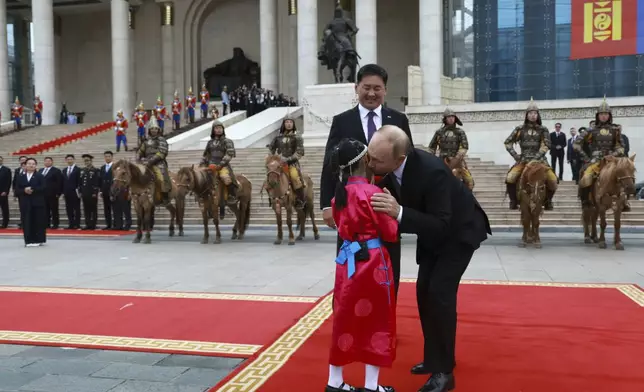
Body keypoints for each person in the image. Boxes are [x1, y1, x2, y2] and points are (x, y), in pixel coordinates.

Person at [368, 125, 491, 392]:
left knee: (439, 294)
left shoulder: (431, 170)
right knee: (424, 292)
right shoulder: (387, 168)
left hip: (458, 233)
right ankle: (437, 357)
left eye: (377, 159)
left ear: (400, 159)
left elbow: (442, 224)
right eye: (370, 155)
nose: (371, 163)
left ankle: (444, 373)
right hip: (432, 235)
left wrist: (399, 213)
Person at [320, 63, 413, 296]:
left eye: (377, 88)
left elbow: (407, 162)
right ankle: (349, 317)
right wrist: (326, 204)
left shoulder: (398, 119)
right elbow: (330, 164)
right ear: (357, 88)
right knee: (351, 266)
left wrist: (408, 204)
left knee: (390, 265)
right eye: (366, 87)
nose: (371, 93)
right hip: (351, 209)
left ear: (385, 90)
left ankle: (385, 316)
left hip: (386, 205)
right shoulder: (342, 121)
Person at [326, 138, 397, 392]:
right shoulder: (373, 193)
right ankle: (371, 385)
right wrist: (393, 210)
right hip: (373, 263)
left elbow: (339, 224)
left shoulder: (339, 196)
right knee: (376, 320)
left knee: (343, 317)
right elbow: (390, 233)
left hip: (347, 263)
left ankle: (335, 381)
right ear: (365, 161)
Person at [503, 98, 558, 210]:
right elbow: (507, 142)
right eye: (531, 113)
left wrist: (536, 158)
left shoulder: (543, 129)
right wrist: (516, 156)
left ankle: (548, 200)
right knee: (510, 178)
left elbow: (546, 145)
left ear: (538, 115)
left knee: (553, 180)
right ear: (526, 115)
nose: (533, 115)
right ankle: (513, 201)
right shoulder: (520, 129)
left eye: (535, 113)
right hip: (523, 160)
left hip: (540, 161)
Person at [574, 97, 626, 209]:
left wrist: (614, 155)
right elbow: (576, 144)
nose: (603, 116)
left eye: (606, 114)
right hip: (595, 160)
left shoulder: (615, 129)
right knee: (585, 178)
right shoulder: (591, 130)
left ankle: (624, 200)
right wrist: (586, 158)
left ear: (609, 116)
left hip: (612, 160)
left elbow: (621, 147)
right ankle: (585, 200)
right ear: (597, 116)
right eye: (601, 114)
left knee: (625, 175)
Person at [427, 106, 474, 190]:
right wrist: (431, 160)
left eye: (452, 117)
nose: (451, 119)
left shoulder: (460, 132)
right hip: (442, 160)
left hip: (457, 160)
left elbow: (464, 147)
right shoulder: (439, 132)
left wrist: (456, 159)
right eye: (449, 117)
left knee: (469, 181)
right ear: (445, 119)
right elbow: (432, 147)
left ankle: (467, 198)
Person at [268, 115, 307, 209]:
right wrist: (272, 157)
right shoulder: (278, 137)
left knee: (294, 177)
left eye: (290, 122)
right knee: (270, 177)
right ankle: (271, 197)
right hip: (279, 164)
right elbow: (271, 148)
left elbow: (300, 152)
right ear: (283, 124)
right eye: (286, 122)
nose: (288, 124)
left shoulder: (297, 137)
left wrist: (288, 159)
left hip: (292, 164)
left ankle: (300, 199)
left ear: (293, 124)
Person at [138, 113, 172, 205]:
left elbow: (162, 152)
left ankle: (165, 195)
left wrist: (151, 161)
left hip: (158, 163)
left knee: (161, 177)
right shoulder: (146, 141)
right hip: (146, 163)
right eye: (152, 128)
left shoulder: (161, 139)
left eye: (155, 128)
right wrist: (139, 159)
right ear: (149, 130)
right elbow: (140, 152)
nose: (154, 130)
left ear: (158, 130)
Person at [201, 120, 238, 204]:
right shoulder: (210, 143)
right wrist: (201, 164)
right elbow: (206, 155)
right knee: (201, 178)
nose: (219, 130)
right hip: (210, 166)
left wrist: (220, 165)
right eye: (217, 128)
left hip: (223, 166)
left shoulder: (227, 141)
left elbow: (229, 154)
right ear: (213, 130)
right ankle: (202, 196)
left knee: (225, 178)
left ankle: (232, 195)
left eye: (220, 128)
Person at [15, 158, 47, 247]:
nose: (31, 165)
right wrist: (24, 190)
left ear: (36, 165)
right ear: (25, 165)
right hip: (25, 203)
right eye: (29, 163)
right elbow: (17, 190)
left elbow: (44, 188)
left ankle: (39, 239)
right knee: (26, 221)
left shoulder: (40, 176)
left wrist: (33, 189)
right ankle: (28, 240)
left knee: (38, 221)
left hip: (37, 202)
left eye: (33, 164)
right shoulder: (20, 176)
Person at [79, 154, 100, 230]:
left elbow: (97, 182)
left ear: (91, 161)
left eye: (87, 160)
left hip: (92, 193)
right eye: (85, 161)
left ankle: (93, 224)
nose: (86, 162)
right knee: (86, 209)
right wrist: (80, 191)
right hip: (85, 193)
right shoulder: (82, 170)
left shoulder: (95, 170)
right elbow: (80, 182)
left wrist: (95, 192)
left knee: (93, 209)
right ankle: (87, 224)